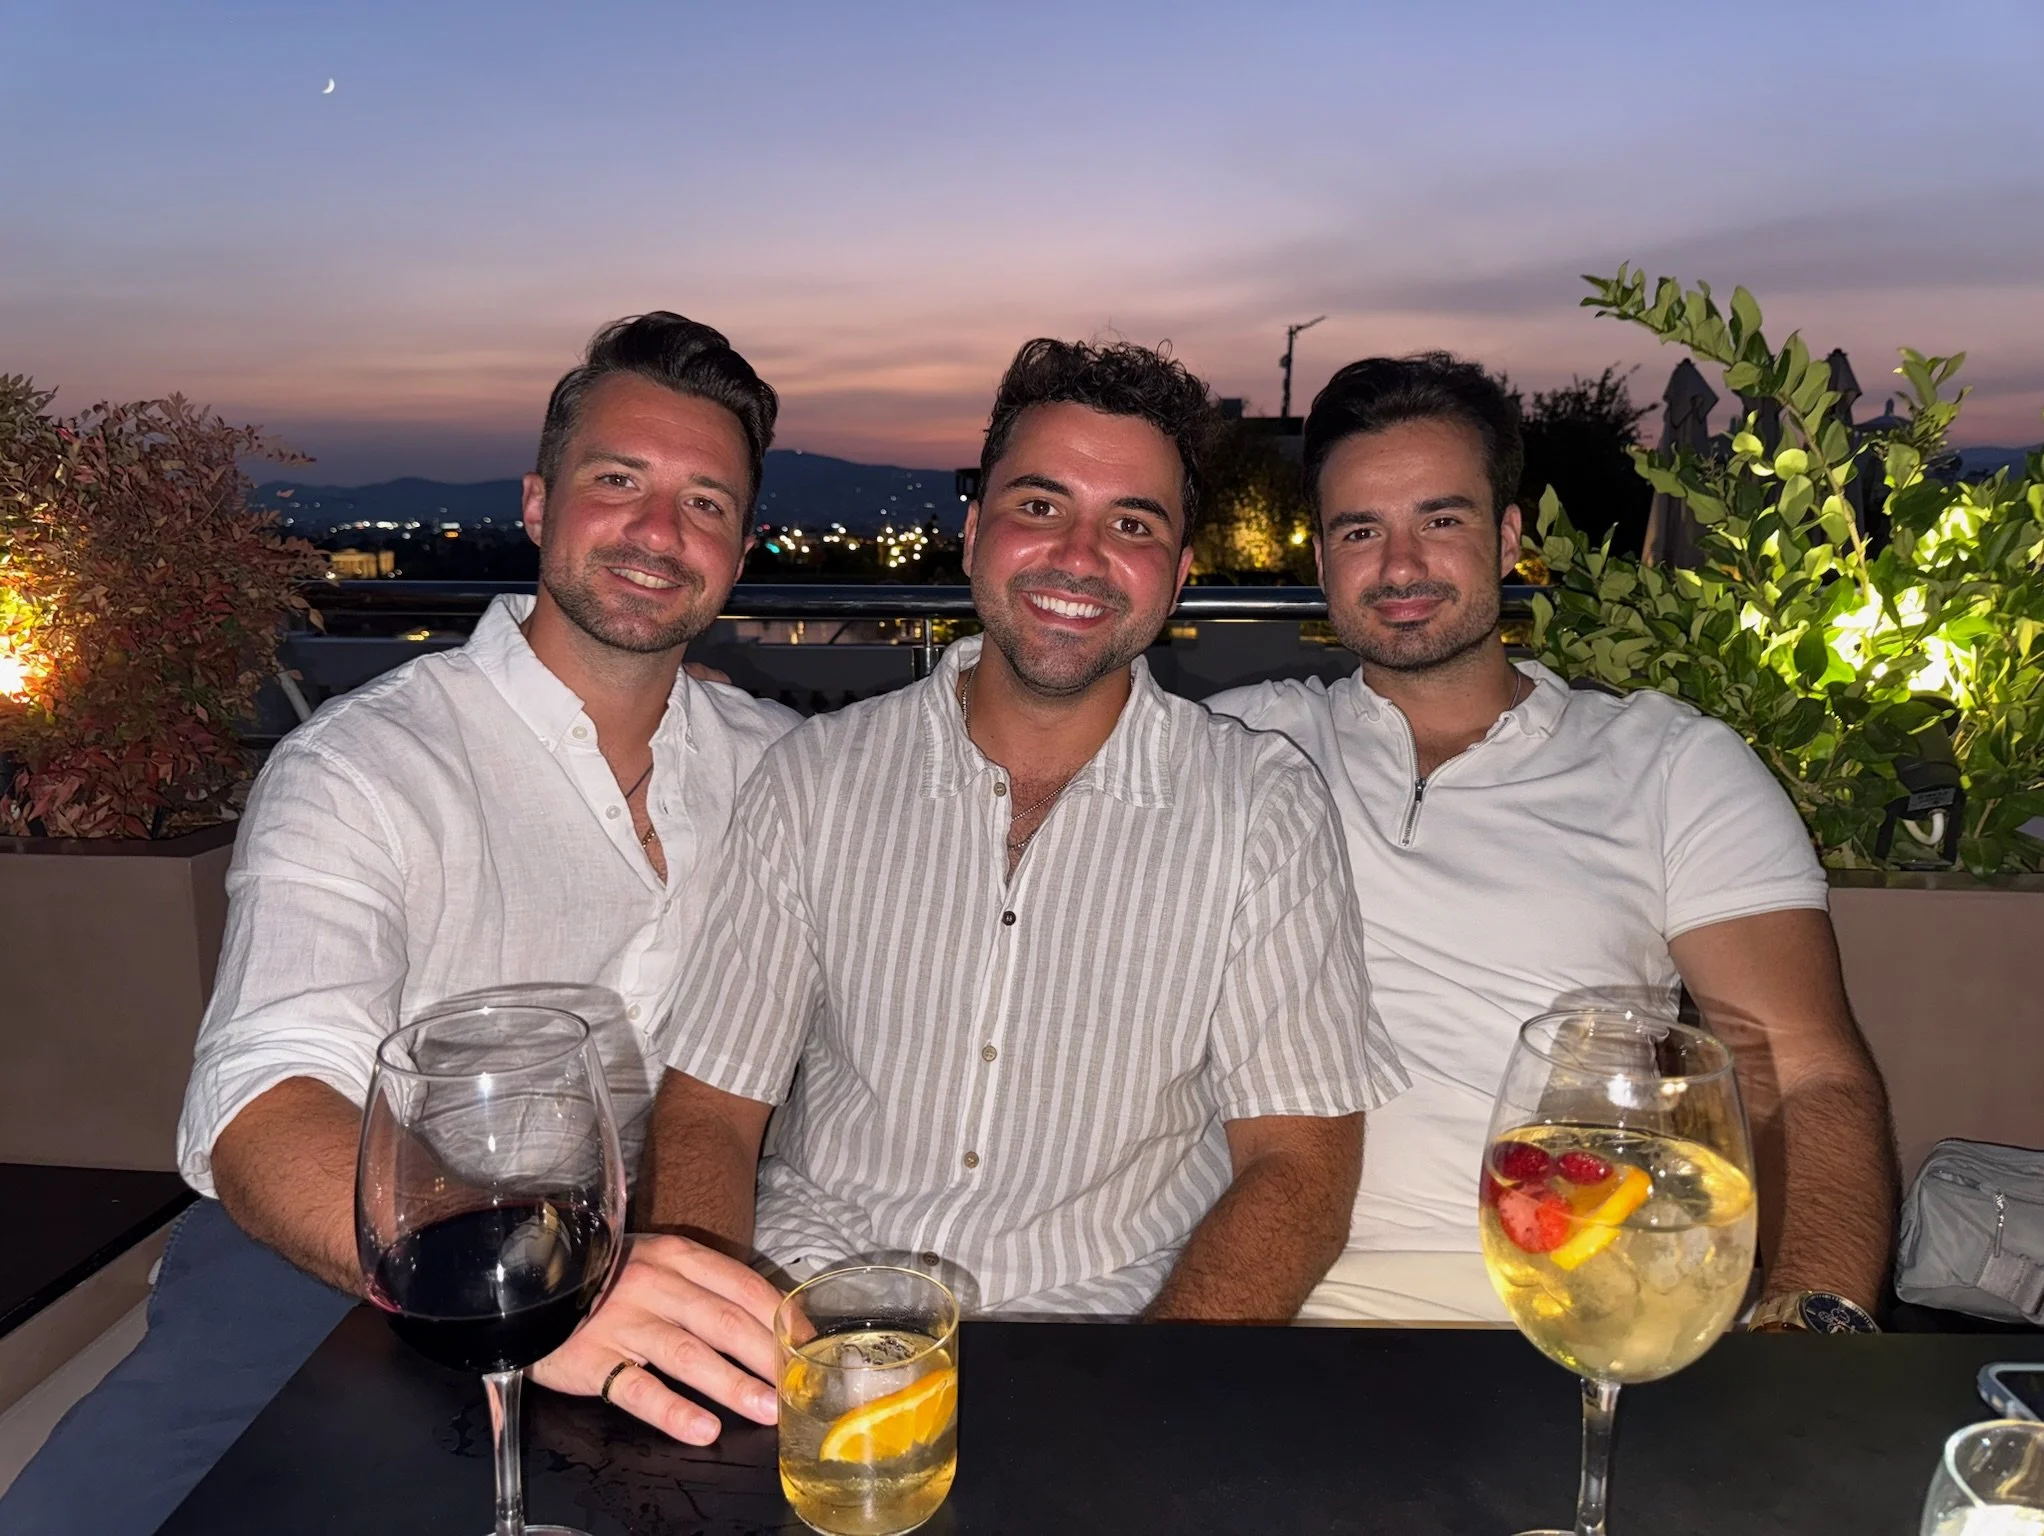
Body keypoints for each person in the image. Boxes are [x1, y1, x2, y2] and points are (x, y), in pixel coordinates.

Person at [0, 313, 801, 1536]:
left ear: (738, 551)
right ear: (537, 503)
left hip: (655, 1258)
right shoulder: (363, 767)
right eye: (616, 481)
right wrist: (529, 1277)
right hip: (344, 1252)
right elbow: (263, 1098)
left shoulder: (778, 766)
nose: (656, 530)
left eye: (704, 502)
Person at [639, 338, 1406, 1321]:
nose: (1078, 556)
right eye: (1039, 506)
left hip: (1115, 1332)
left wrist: (1148, 1388)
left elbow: (1298, 1172)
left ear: (1176, 576)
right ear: (972, 534)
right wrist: (716, 1337)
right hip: (816, 1309)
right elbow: (708, 1110)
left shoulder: (1261, 808)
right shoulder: (813, 779)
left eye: (1130, 523)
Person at [1208, 352, 1897, 1329]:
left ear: (1506, 537)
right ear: (1320, 561)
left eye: (1439, 521)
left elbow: (1804, 1073)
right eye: (1360, 531)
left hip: (1579, 1315)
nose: (1399, 566)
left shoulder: (1668, 765)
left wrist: (1811, 1333)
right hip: (1251, 1312)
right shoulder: (1235, 744)